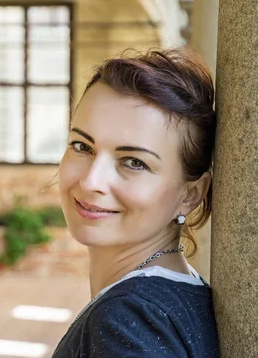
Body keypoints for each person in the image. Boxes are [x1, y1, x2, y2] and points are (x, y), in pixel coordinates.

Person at [51, 48, 220, 357]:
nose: (91, 181)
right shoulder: (178, 296)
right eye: (82, 145)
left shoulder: (127, 320)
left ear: (190, 194)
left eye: (134, 162)